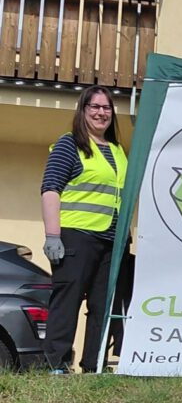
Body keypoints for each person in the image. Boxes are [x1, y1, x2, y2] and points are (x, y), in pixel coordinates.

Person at [40, 85, 128, 374]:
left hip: (112, 241)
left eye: (107, 108)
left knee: (103, 306)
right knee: (68, 300)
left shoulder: (117, 151)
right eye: (95, 107)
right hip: (78, 237)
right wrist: (52, 235)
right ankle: (57, 365)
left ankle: (95, 365)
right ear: (83, 110)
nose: (102, 113)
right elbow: (51, 188)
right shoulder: (70, 145)